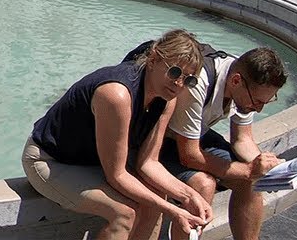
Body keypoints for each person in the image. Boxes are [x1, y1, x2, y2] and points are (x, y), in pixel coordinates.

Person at [22, 30, 212, 240]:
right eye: (175, 73)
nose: (179, 84)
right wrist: (174, 211)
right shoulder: (117, 94)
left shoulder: (166, 100)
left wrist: (190, 196)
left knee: (156, 197)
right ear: (154, 59)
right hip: (50, 161)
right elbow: (117, 175)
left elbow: (149, 163)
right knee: (124, 213)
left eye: (188, 80)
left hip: (91, 163)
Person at [155, 47, 288, 240]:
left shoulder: (245, 80)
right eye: (257, 102)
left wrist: (269, 171)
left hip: (189, 135)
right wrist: (249, 170)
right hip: (157, 139)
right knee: (204, 185)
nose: (258, 109)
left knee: (251, 182)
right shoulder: (198, 82)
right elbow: (189, 156)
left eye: (265, 103)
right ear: (236, 81)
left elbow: (243, 139)